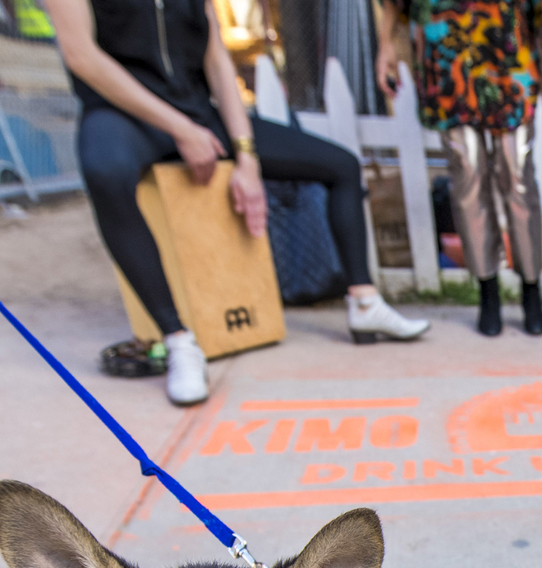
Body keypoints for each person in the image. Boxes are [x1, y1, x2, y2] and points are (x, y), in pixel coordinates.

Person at [47, 0, 432, 406]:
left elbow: (216, 62)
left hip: (198, 111)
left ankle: (365, 302)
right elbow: (81, 57)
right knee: (105, 173)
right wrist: (180, 130)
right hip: (124, 115)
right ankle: (177, 340)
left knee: (341, 165)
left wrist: (246, 156)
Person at [376, 0, 542, 337]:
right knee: (467, 178)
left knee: (518, 177)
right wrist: (386, 44)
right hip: (447, 57)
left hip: (509, 53)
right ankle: (488, 289)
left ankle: (531, 288)